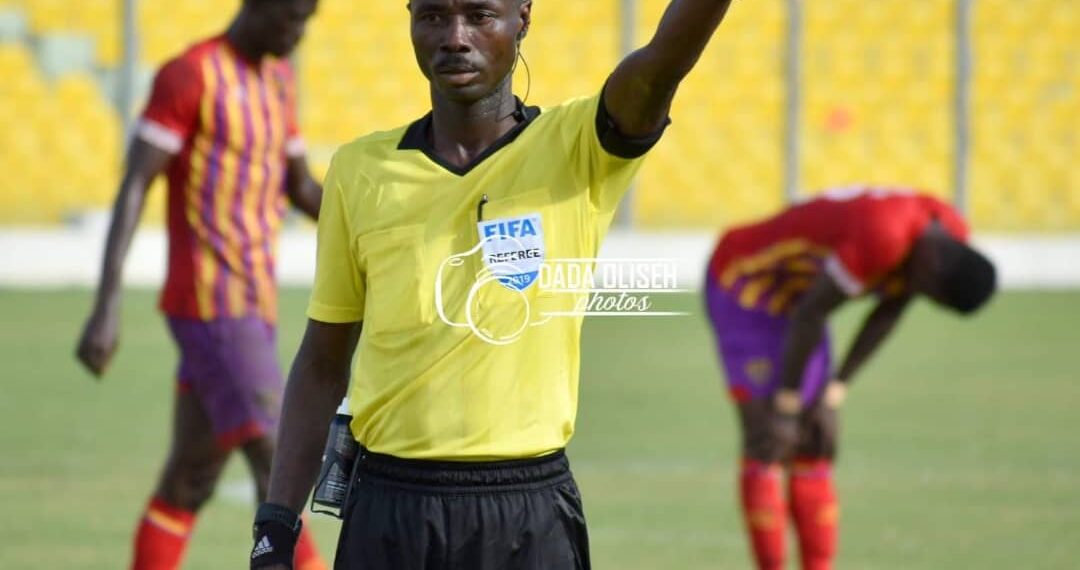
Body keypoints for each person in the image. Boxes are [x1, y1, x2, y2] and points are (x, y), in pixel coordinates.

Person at [249, 0, 736, 568]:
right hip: (389, 507)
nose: (455, 37)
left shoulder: (580, 146)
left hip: (527, 514)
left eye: (479, 15)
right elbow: (324, 360)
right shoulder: (360, 170)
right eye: (432, 16)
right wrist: (277, 523)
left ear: (522, 19)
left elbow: (663, 62)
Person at [74, 1, 326, 568]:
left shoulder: (277, 81)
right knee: (280, 462)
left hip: (254, 307)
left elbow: (300, 186)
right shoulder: (191, 74)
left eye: (306, 22)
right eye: (290, 20)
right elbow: (136, 183)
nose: (297, 35)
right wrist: (106, 305)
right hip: (211, 306)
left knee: (189, 479)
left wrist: (377, 230)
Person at [704, 187, 998, 570]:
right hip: (747, 282)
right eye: (933, 297)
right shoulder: (885, 235)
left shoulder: (946, 235)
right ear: (935, 271)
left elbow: (888, 312)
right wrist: (786, 405)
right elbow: (812, 314)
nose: (921, 298)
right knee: (769, 437)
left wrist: (833, 393)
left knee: (815, 438)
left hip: (800, 297)